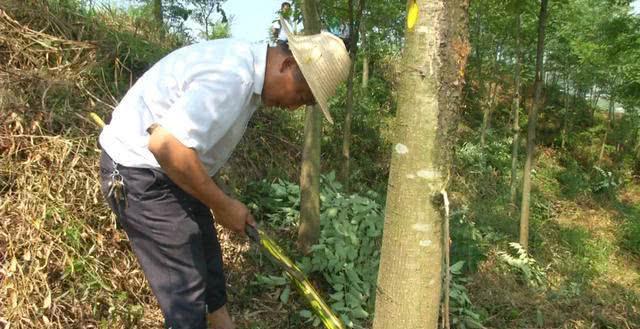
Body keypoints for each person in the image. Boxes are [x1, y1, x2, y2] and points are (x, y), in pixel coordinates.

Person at [97, 24, 350, 329]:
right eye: (301, 95)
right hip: (138, 175)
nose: (294, 107)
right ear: (287, 64)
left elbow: (187, 150)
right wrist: (222, 205)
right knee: (187, 300)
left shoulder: (245, 74)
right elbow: (165, 145)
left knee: (212, 283)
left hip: (171, 174)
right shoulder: (233, 77)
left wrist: (221, 200)